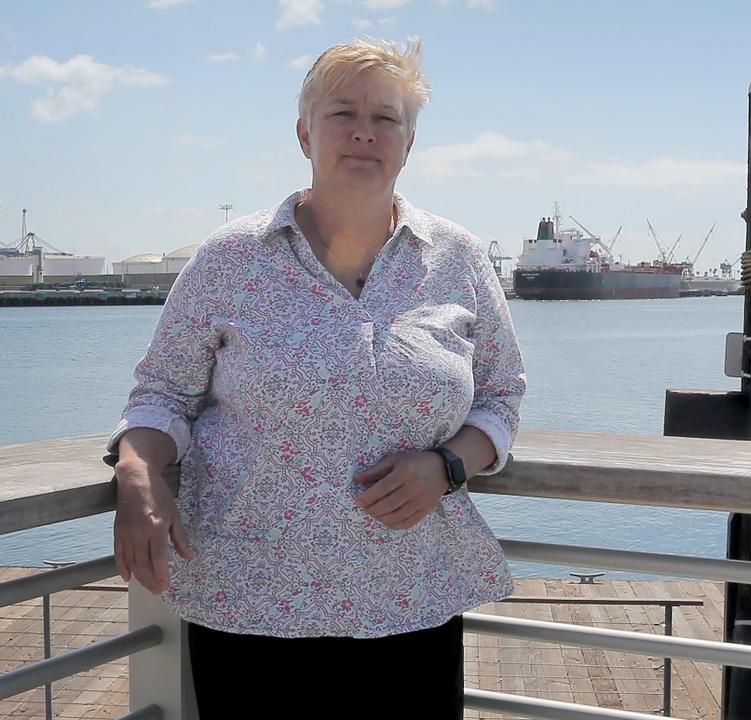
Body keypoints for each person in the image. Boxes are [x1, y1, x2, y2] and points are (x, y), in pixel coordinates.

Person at [108, 37, 525, 718]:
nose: (364, 131)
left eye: (385, 117)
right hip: (250, 606)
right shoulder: (230, 260)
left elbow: (503, 394)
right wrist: (136, 472)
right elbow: (161, 394)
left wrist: (447, 465)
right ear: (305, 134)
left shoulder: (458, 259)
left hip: (411, 603)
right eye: (342, 113)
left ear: (409, 142)